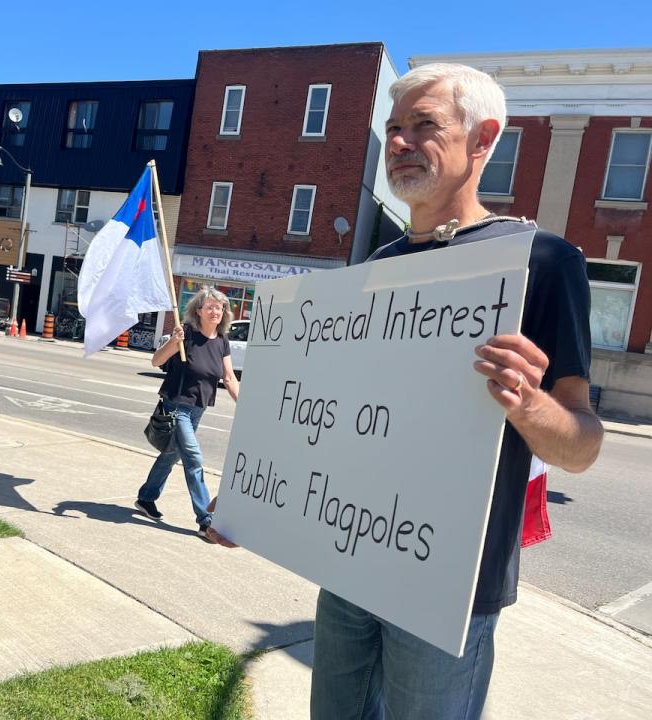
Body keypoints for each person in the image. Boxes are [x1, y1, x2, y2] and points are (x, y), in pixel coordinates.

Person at [209, 63, 605, 719]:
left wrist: (529, 404)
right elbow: (338, 418)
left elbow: (583, 446)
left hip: (447, 586)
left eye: (424, 126)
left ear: (482, 140)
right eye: (393, 128)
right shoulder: (376, 267)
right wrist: (255, 493)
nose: (399, 142)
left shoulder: (540, 261)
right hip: (352, 564)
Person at [134, 286, 240, 541]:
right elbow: (156, 362)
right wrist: (174, 342)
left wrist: (248, 408)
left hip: (197, 409)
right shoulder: (187, 334)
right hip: (176, 407)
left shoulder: (222, 340)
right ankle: (206, 520)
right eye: (210, 306)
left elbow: (228, 378)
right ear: (199, 310)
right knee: (193, 458)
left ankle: (146, 498)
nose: (216, 311)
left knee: (170, 455)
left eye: (220, 307)